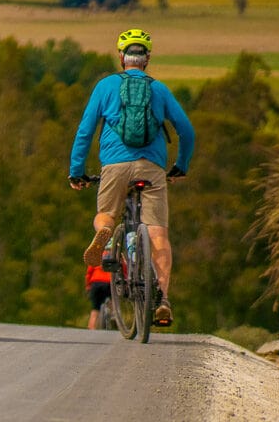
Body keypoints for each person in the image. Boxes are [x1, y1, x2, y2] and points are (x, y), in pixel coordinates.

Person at [68, 27, 196, 328]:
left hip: (114, 165)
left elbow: (85, 131)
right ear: (147, 58)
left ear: (121, 57)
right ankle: (162, 299)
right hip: (151, 168)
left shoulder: (106, 86)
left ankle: (108, 239)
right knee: (159, 237)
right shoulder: (159, 89)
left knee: (105, 215)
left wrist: (77, 172)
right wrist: (181, 165)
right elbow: (186, 130)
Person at [85, 263, 113, 329]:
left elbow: (88, 273)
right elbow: (123, 268)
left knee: (95, 308)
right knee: (113, 300)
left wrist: (88, 286)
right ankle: (113, 313)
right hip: (108, 283)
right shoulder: (115, 256)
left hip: (95, 284)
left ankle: (91, 327)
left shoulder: (95, 258)